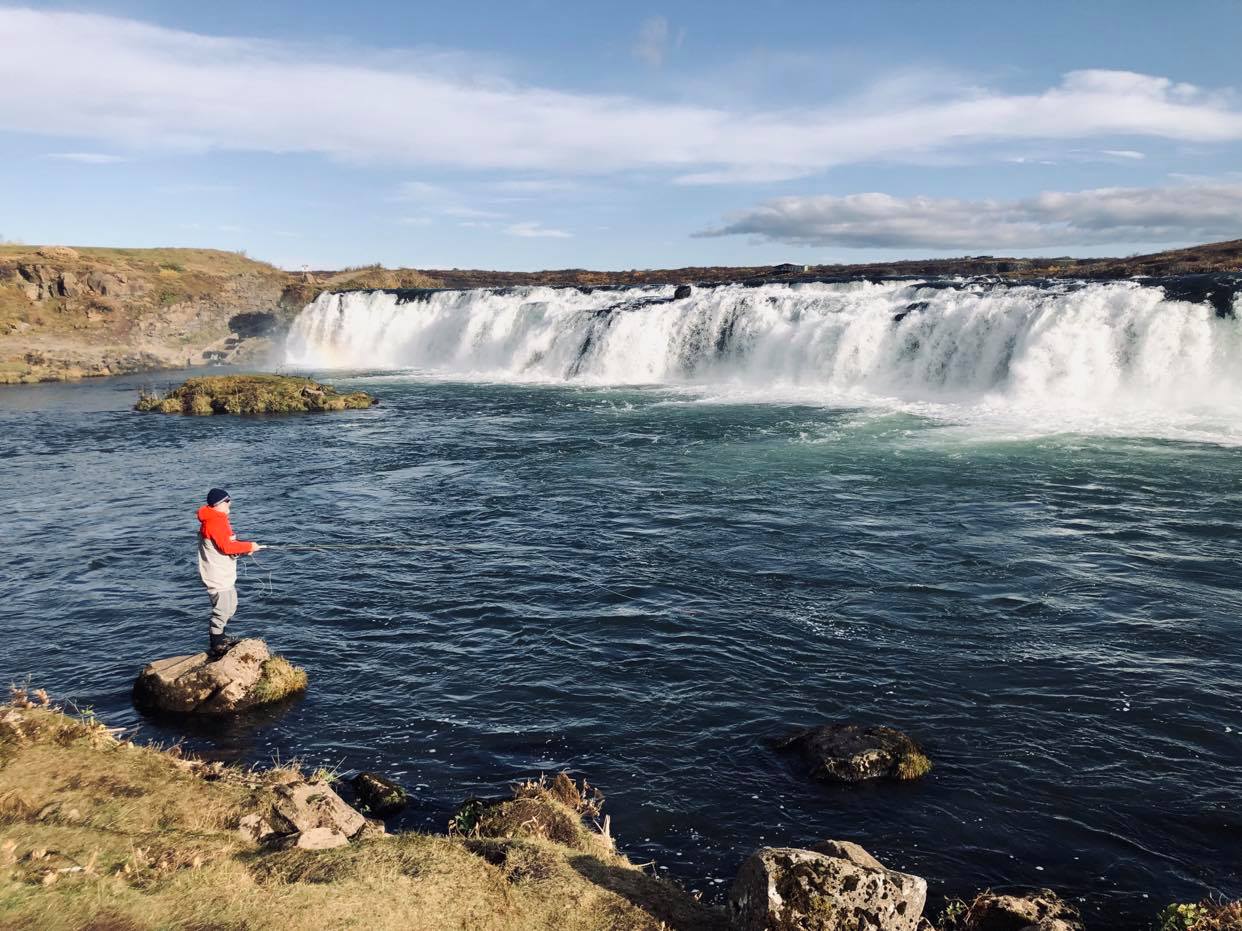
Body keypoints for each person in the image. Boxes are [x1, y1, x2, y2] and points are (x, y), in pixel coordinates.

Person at [197, 488, 263, 658]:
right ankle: (216, 643)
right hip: (217, 576)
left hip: (223, 573)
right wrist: (249, 546)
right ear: (220, 504)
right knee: (223, 609)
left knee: (231, 606)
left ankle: (221, 637)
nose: (230, 505)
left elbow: (225, 545)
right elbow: (226, 547)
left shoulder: (218, 519)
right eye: (228, 502)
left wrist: (241, 550)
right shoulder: (214, 522)